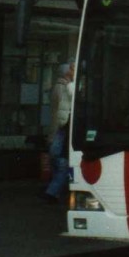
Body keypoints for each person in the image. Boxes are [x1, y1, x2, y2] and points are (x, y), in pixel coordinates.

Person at [42, 61, 74, 204]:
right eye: (73, 68)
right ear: (68, 72)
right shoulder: (64, 87)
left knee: (58, 163)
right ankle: (51, 192)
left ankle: (54, 193)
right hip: (61, 130)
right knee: (62, 164)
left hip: (56, 130)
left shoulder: (58, 86)